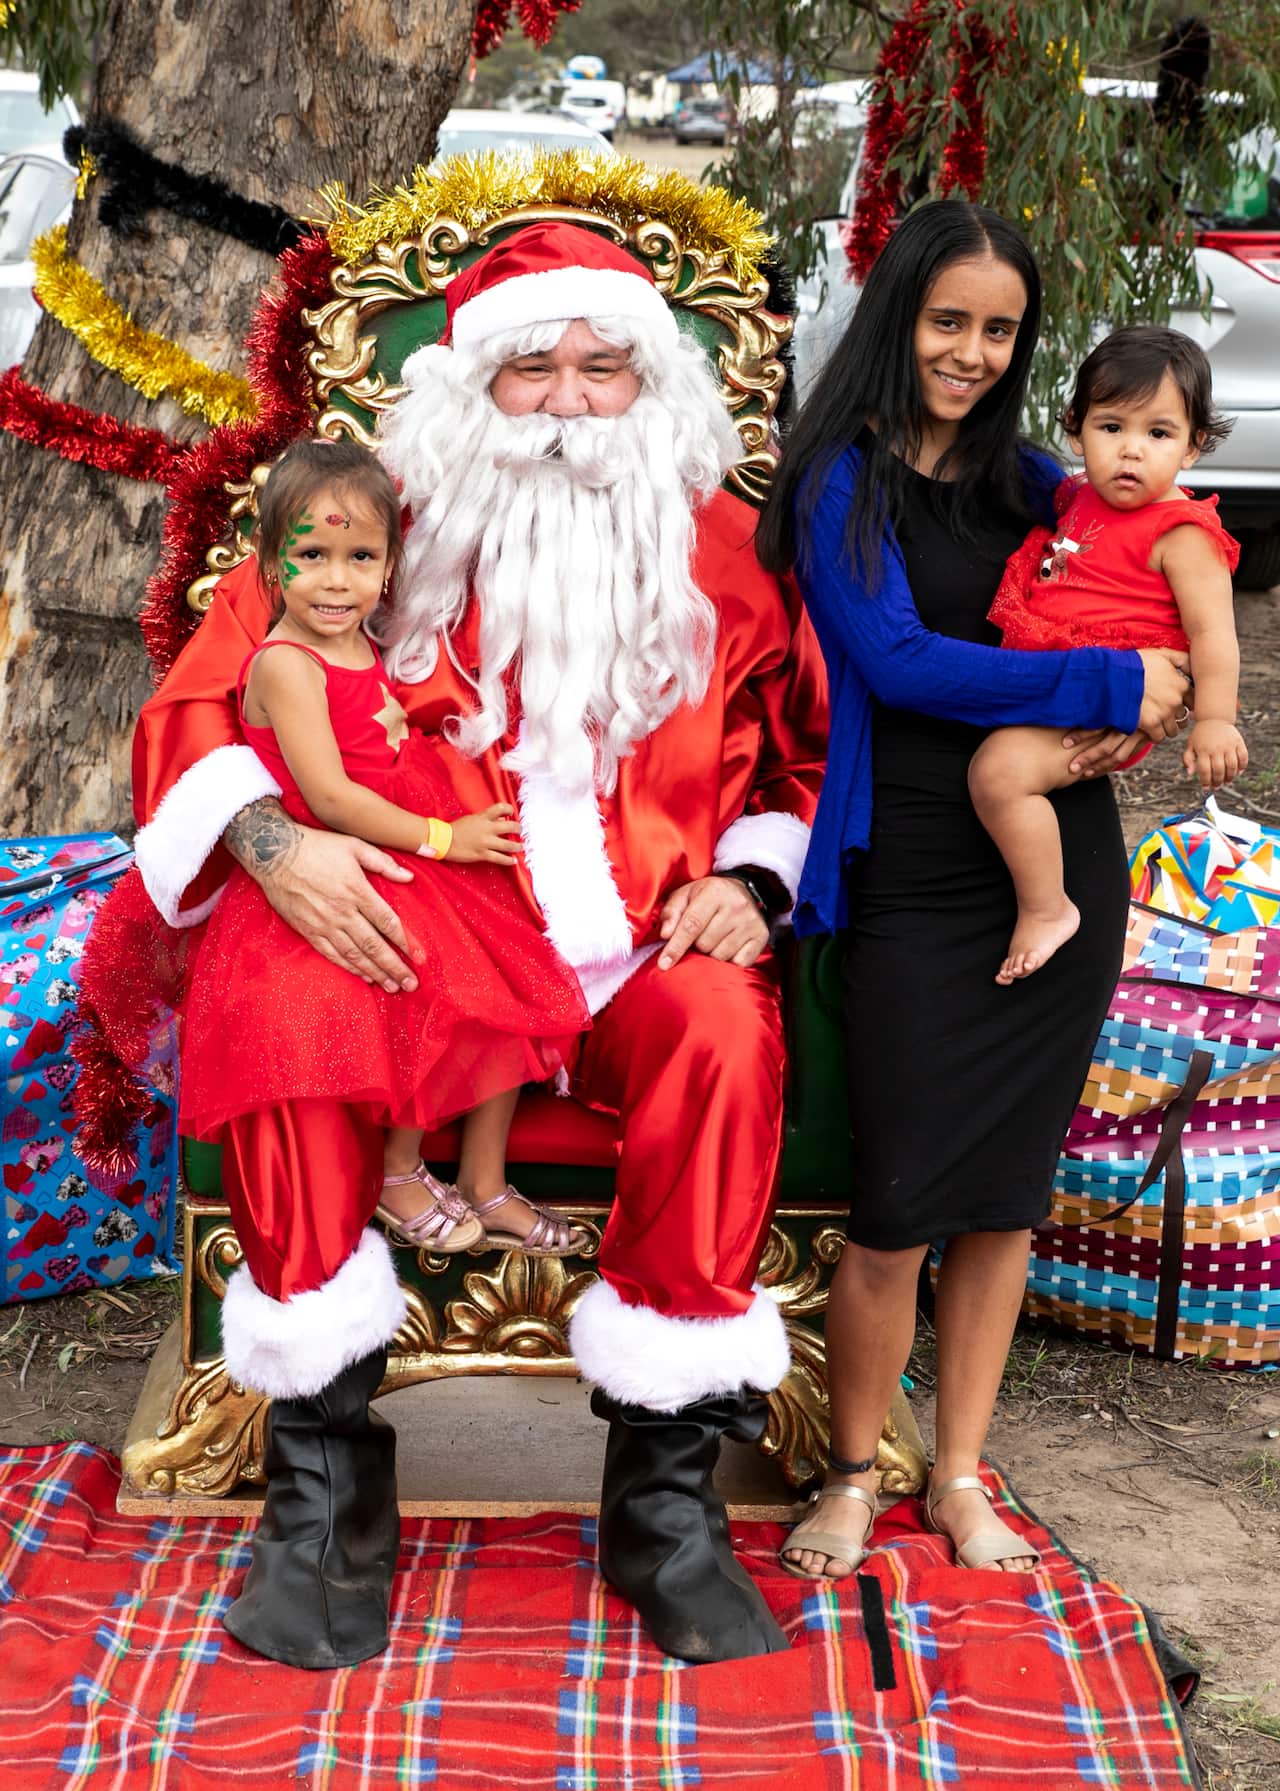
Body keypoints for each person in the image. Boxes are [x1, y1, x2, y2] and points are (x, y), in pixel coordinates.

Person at [129, 220, 827, 1666]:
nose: (570, 397)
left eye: (603, 363)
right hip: (423, 937)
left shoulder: (731, 556)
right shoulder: (362, 528)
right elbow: (202, 711)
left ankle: (664, 1493)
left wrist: (756, 883)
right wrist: (280, 841)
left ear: (657, 382)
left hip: (637, 944)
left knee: (720, 1025)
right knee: (304, 1000)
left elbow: (806, 760)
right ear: (466, 386)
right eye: (530, 367)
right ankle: (325, 1482)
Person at [756, 200, 1192, 1584]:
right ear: (901, 316)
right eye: (950, 321)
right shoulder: (841, 477)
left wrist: (1178, 680)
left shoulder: (1042, 483)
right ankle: (848, 1470)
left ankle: (955, 1474)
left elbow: (1159, 567)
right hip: (910, 872)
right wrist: (1113, 684)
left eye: (1000, 331)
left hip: (1054, 865)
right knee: (894, 1200)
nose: (972, 352)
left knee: (1003, 1197)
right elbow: (895, 661)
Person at [182, 433, 591, 1265]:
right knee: (433, 983)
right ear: (269, 565)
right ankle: (399, 1171)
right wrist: (449, 836)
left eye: (360, 555)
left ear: (390, 564)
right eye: (312, 554)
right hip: (347, 851)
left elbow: (378, 734)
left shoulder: (363, 641)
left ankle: (486, 1180)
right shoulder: (286, 663)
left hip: (401, 839)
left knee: (517, 989)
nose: (337, 579)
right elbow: (330, 795)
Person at [974, 325, 1244, 984]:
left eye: (1157, 434)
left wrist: (1214, 718)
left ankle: (1047, 906)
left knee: (998, 773)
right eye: (1111, 426)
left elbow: (1213, 633)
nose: (1130, 451)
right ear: (1076, 429)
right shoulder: (1076, 497)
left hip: (1118, 690)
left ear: (1193, 447)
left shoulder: (1181, 532)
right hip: (1065, 671)